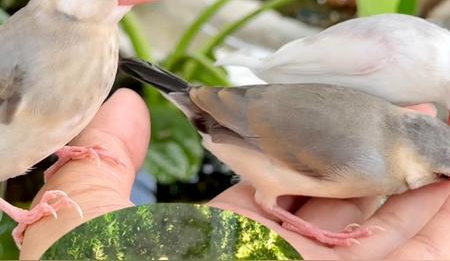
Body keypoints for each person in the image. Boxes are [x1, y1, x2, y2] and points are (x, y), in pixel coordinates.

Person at [20, 89, 450, 259]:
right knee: (268, 201)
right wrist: (322, 236)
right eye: (439, 175)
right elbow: (266, 198)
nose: (436, 184)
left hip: (243, 107)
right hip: (232, 129)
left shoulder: (381, 119)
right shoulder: (367, 165)